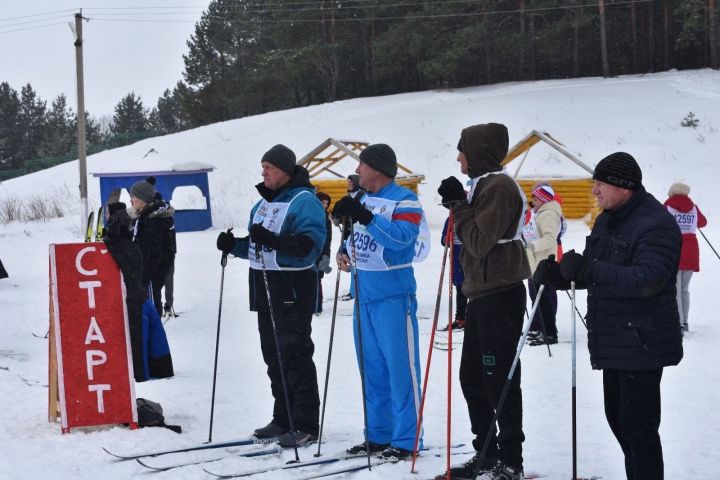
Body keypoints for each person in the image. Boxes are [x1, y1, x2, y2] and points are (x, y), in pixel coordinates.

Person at [534, 152, 683, 480]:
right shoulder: (607, 219)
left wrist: (590, 268)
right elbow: (595, 272)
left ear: (624, 186)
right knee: (620, 423)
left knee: (638, 430)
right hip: (615, 341)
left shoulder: (656, 223)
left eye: (600, 183)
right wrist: (560, 275)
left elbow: (647, 280)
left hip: (642, 343)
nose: (595, 190)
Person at [435, 123, 530, 480]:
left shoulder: (499, 187)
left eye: (463, 150)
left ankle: (511, 459)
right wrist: (459, 202)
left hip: (500, 293)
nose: (459, 156)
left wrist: (458, 206)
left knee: (499, 378)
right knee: (472, 376)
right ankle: (487, 453)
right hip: (482, 292)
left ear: (478, 153)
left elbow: (477, 242)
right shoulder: (484, 185)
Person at [216, 144, 325, 448]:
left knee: (295, 356)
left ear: (285, 171)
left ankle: (305, 424)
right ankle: (284, 417)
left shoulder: (305, 201)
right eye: (262, 166)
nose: (263, 172)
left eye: (269, 167)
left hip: (292, 290)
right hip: (265, 289)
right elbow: (256, 245)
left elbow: (308, 248)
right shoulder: (263, 204)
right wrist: (233, 245)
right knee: (274, 357)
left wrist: (274, 241)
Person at [332, 143, 425, 460]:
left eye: (362, 165)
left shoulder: (405, 199)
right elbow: (353, 235)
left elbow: (402, 238)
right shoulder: (363, 198)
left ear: (378, 168)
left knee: (401, 370)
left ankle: (407, 438)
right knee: (371, 370)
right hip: (364, 295)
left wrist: (368, 218)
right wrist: (343, 251)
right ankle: (378, 434)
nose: (357, 171)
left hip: (393, 297)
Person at [103, 202, 174, 381]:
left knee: (140, 341)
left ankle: (142, 372)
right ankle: (154, 369)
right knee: (152, 334)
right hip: (141, 296)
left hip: (135, 299)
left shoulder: (120, 245)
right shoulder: (131, 244)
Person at [523, 182, 565, 346]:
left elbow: (550, 238)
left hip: (544, 263)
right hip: (535, 263)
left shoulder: (549, 214)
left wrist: (532, 245)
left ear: (543, 198)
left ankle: (549, 334)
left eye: (536, 198)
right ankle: (541, 329)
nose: (533, 201)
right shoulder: (539, 213)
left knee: (544, 300)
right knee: (537, 298)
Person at [129, 178, 176, 317]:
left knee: (150, 317)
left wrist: (145, 279)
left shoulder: (153, 221)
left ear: (143, 199)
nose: (131, 200)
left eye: (134, 197)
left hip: (149, 281)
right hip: (148, 281)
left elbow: (155, 256)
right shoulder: (145, 217)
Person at [664, 182, 707, 333]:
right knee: (684, 289)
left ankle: (679, 324)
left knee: (674, 289)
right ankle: (685, 322)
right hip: (691, 252)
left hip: (674, 251)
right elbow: (703, 222)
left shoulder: (668, 205)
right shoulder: (693, 207)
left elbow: (658, 222)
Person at [440, 206, 466, 331]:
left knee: (471, 287)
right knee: (459, 286)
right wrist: (445, 239)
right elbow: (443, 238)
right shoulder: (449, 220)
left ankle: (471, 317)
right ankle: (460, 318)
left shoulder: (469, 218)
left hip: (469, 254)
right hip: (455, 255)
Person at [315, 191, 333, 314]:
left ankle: (317, 306)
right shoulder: (310, 215)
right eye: (323, 202)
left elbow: (328, 239)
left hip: (321, 253)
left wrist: (326, 256)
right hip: (308, 251)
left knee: (317, 280)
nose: (325, 205)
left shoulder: (326, 219)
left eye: (327, 203)